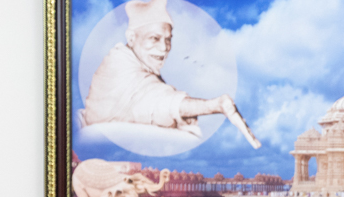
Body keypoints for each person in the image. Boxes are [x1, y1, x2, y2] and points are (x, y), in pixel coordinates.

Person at [81, 0, 262, 149]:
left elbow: (157, 97)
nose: (164, 48)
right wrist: (214, 105)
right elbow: (159, 102)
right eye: (155, 38)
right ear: (131, 38)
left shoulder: (141, 68)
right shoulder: (118, 66)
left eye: (168, 39)